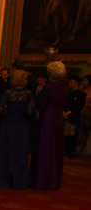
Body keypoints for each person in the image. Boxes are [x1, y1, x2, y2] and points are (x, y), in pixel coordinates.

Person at [30, 61, 69, 190]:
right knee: (55, 149)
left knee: (44, 148)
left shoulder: (49, 87)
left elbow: (41, 103)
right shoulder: (64, 86)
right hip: (58, 119)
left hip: (47, 118)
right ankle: (53, 180)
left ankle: (42, 180)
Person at [0, 69, 34, 189]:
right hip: (21, 127)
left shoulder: (7, 93)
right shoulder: (28, 94)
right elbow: (30, 112)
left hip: (8, 125)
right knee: (20, 153)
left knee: (6, 153)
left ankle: (4, 180)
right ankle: (19, 181)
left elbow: (1, 110)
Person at [63, 76, 86, 158]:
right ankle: (67, 151)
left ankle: (72, 152)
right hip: (66, 116)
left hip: (74, 117)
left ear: (76, 83)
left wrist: (69, 112)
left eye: (71, 82)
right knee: (66, 135)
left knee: (73, 136)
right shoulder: (68, 93)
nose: (70, 84)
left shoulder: (81, 94)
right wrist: (64, 112)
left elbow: (79, 106)